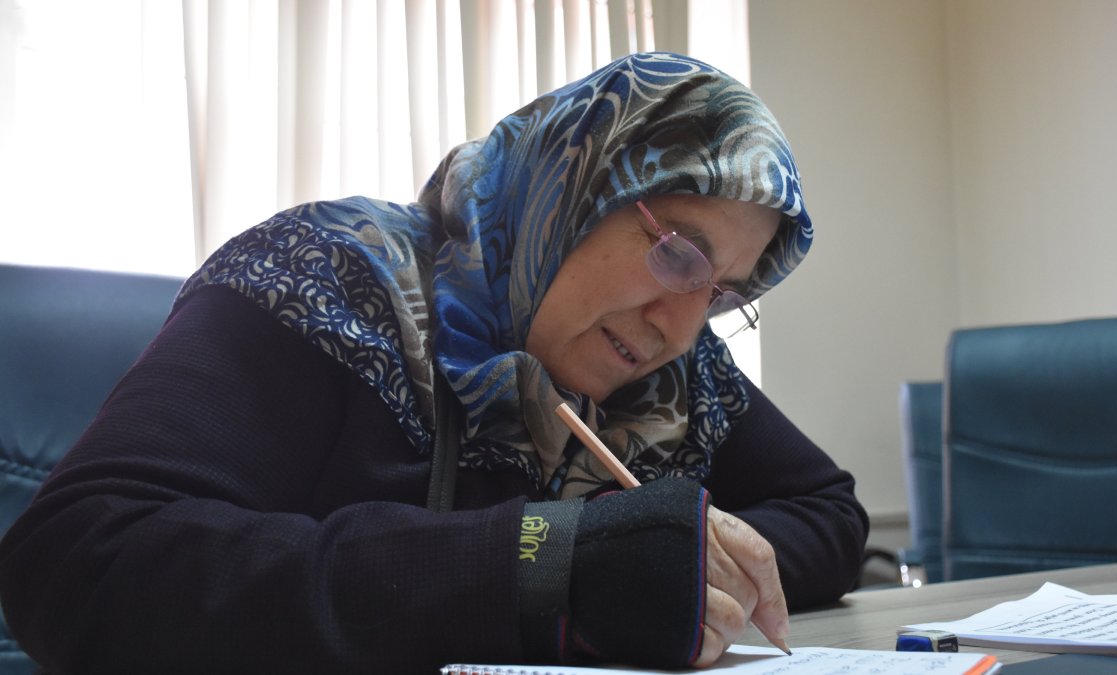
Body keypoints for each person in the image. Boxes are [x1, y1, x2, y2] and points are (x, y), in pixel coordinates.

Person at [0, 52, 867, 673]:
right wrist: (541, 561)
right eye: (678, 253)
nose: (680, 324)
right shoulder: (324, 279)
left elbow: (828, 511)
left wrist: (673, 557)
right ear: (574, 184)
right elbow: (75, 558)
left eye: (721, 292)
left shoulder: (675, 372)